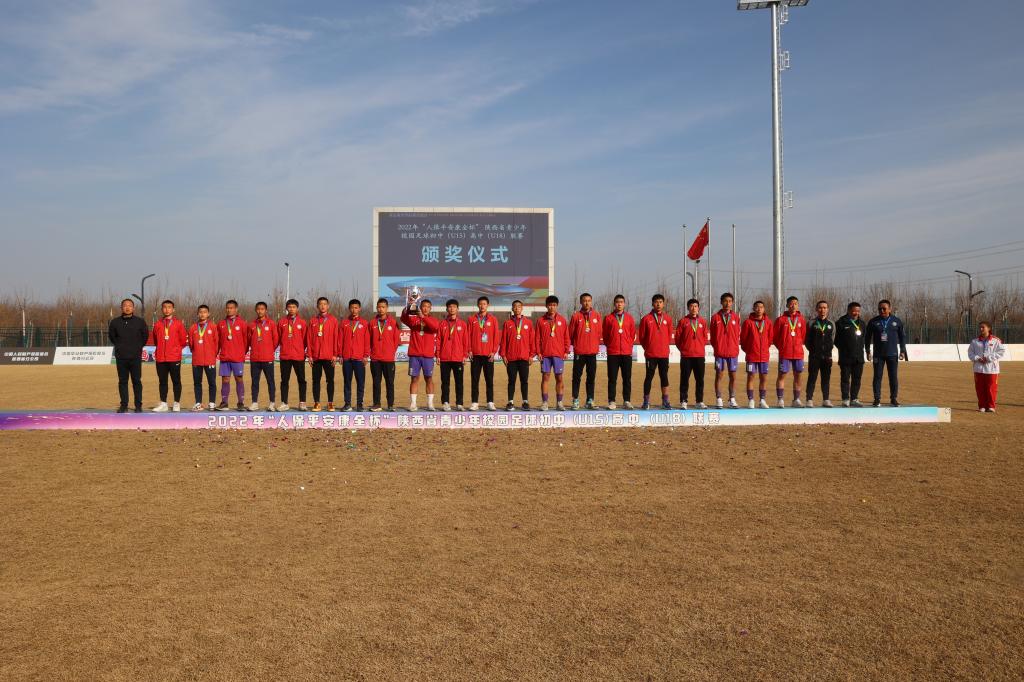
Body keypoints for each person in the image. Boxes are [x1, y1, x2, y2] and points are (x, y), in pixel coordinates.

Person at [147, 299, 188, 412]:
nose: (167, 309)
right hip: (161, 358)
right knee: (162, 382)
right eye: (164, 307)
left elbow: (183, 341)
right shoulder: (157, 324)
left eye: (169, 307)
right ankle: (163, 404)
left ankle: (176, 403)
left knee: (176, 381)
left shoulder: (178, 324)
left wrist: (175, 350)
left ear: (173, 309)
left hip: (174, 358)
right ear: (162, 309)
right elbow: (156, 340)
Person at [865, 299, 908, 407]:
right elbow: (867, 338)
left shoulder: (896, 321)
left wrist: (902, 350)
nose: (882, 310)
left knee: (893, 377)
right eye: (879, 309)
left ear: (890, 309)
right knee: (877, 377)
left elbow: (902, 337)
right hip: (878, 355)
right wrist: (868, 351)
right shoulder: (873, 321)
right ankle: (877, 399)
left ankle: (893, 398)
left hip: (892, 354)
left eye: (884, 308)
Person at [109, 298, 148, 413]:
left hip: (135, 357)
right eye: (125, 305)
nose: (127, 307)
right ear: (121, 308)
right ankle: (124, 405)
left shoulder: (140, 322)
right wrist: (120, 347)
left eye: (130, 305)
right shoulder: (115, 322)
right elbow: (112, 337)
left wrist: (137, 347)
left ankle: (138, 405)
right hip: (121, 357)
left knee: (137, 381)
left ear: (133, 308)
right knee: (122, 382)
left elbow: (145, 336)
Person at [401, 296, 440, 411]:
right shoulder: (414, 320)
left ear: (430, 309)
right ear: (420, 307)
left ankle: (430, 404)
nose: (425, 308)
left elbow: (435, 327)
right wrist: (408, 306)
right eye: (423, 306)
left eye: (428, 307)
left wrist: (423, 317)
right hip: (415, 355)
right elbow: (403, 317)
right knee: (414, 379)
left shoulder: (433, 320)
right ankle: (413, 404)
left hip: (428, 356)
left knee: (429, 378)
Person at [638, 293, 673, 410]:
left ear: (663, 304)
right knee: (649, 377)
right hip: (651, 354)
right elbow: (642, 337)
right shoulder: (646, 319)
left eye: (660, 302)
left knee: (664, 377)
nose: (658, 304)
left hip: (663, 354)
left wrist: (664, 347)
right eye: (656, 302)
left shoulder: (668, 318)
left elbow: (669, 335)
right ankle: (646, 401)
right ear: (652, 304)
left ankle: (665, 400)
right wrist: (648, 348)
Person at [568, 292, 602, 410]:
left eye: (589, 300)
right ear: (581, 302)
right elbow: (571, 334)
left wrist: (594, 345)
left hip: (592, 352)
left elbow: (599, 333)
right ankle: (575, 400)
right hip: (580, 352)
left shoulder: (597, 315)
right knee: (576, 377)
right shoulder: (576, 316)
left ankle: (590, 400)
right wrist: (577, 345)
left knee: (591, 377)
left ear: (591, 302)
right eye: (584, 301)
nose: (586, 303)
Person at [674, 298, 709, 409]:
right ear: (688, 308)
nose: (694, 308)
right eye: (691, 306)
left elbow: (705, 338)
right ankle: (683, 401)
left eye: (696, 306)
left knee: (700, 380)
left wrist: (699, 347)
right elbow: (677, 339)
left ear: (698, 308)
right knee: (684, 379)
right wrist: (684, 349)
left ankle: (699, 401)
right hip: (686, 356)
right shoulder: (683, 321)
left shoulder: (703, 322)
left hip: (699, 356)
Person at [500, 299, 535, 410]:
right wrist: (503, 355)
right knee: (511, 381)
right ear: (512, 308)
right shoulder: (507, 323)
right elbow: (503, 340)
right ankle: (510, 402)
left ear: (522, 308)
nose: (517, 308)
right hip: (511, 358)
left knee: (524, 381)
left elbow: (532, 340)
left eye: (519, 306)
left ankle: (525, 402)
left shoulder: (528, 323)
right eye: (515, 306)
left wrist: (531, 355)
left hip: (524, 357)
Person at [536, 295, 570, 411]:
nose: (552, 307)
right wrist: (538, 352)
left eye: (554, 305)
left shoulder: (562, 320)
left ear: (557, 306)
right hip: (545, 354)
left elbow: (566, 337)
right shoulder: (541, 320)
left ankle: (559, 402)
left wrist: (566, 351)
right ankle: (545, 402)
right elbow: (537, 338)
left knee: (559, 377)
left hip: (558, 354)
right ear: (546, 306)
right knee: (545, 377)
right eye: (550, 305)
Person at [602, 294, 636, 410]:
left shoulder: (630, 318)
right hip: (613, 353)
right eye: (617, 302)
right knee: (612, 379)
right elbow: (605, 335)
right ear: (614, 304)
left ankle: (627, 401)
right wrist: (611, 345)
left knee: (627, 379)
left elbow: (632, 334)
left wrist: (628, 346)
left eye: (621, 302)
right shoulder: (608, 318)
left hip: (626, 353)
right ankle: (612, 401)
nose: (619, 304)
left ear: (624, 304)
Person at [467, 296, 500, 411]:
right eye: (480, 304)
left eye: (484, 304)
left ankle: (490, 402)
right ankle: (474, 402)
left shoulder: (493, 319)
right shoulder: (472, 319)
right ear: (478, 305)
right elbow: (468, 336)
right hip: (475, 355)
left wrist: (493, 351)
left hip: (488, 355)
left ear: (488, 305)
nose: (482, 306)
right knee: (475, 380)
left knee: (489, 379)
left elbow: (496, 337)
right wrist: (469, 350)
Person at [307, 297, 340, 412]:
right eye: (320, 304)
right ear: (317, 306)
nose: (322, 306)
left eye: (325, 304)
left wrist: (335, 354)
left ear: (328, 306)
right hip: (316, 356)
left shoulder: (333, 320)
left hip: (329, 356)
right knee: (316, 380)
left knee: (330, 380)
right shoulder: (313, 321)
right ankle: (317, 403)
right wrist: (310, 355)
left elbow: (336, 338)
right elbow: (309, 339)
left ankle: (330, 403)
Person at [773, 296, 807, 408]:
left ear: (798, 305)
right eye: (791, 303)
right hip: (785, 353)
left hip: (798, 353)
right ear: (787, 305)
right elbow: (775, 337)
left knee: (798, 376)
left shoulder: (801, 319)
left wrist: (797, 345)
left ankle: (796, 400)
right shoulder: (781, 320)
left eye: (795, 303)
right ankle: (780, 399)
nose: (793, 305)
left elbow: (803, 336)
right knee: (782, 375)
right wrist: (782, 347)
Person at [710, 292, 741, 408]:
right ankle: (719, 398)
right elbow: (713, 336)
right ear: (721, 302)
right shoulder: (715, 317)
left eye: (730, 301)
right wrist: (718, 347)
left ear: (732, 303)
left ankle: (732, 398)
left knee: (733, 376)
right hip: (720, 352)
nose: (727, 303)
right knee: (719, 375)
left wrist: (734, 346)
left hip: (732, 352)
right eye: (725, 301)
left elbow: (737, 334)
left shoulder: (736, 317)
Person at [368, 298, 400, 412]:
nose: (381, 309)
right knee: (376, 382)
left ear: (387, 308)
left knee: (390, 382)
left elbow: (396, 340)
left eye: (383, 307)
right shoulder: (372, 323)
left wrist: (390, 352)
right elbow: (369, 340)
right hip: (375, 358)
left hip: (388, 359)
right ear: (377, 308)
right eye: (379, 307)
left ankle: (390, 404)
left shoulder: (393, 322)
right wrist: (372, 352)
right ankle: (377, 404)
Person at [216, 299, 248, 411]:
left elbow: (246, 341)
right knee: (225, 379)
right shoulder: (221, 324)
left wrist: (241, 353)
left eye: (231, 308)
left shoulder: (242, 323)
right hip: (225, 357)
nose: (229, 310)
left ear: (236, 309)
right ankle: (224, 403)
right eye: (227, 308)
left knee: (239, 378)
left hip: (237, 357)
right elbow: (218, 341)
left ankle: (240, 403)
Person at [437, 299, 469, 411]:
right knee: (445, 382)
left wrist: (464, 355)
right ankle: (445, 402)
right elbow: (439, 340)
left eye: (454, 307)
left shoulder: (462, 324)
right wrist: (438, 355)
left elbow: (465, 341)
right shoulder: (442, 324)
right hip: (445, 358)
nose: (452, 309)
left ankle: (459, 403)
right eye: (450, 307)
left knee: (459, 382)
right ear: (447, 309)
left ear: (457, 309)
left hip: (458, 358)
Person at [740, 300, 772, 409]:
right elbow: (743, 340)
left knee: (764, 378)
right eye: (757, 307)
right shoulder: (748, 322)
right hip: (751, 356)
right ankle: (751, 400)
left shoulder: (768, 322)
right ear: (753, 308)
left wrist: (764, 349)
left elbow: (770, 339)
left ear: (764, 309)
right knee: (751, 377)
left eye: (761, 307)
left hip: (764, 356)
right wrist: (749, 350)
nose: (759, 309)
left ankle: (762, 400)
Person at [339, 299, 370, 411]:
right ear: (349, 308)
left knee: (360, 382)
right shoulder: (344, 323)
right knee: (347, 382)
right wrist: (340, 355)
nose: (354, 310)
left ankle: (359, 404)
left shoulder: (364, 323)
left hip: (359, 358)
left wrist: (366, 355)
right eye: (352, 307)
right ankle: (347, 404)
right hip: (347, 358)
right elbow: (340, 340)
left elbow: (367, 341)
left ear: (359, 309)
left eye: (356, 308)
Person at [248, 301, 279, 411]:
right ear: (255, 310)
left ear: (266, 310)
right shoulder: (252, 325)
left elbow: (276, 340)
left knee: (270, 381)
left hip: (267, 358)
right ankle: (254, 403)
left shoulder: (271, 324)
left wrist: (269, 350)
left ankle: (272, 403)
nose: (260, 311)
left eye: (262, 309)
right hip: (255, 359)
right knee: (255, 381)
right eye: (258, 309)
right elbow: (249, 340)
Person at [277, 298, 308, 411]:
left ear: (297, 308)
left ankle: (302, 402)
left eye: (294, 307)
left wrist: (300, 350)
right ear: (286, 308)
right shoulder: (282, 322)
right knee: (284, 380)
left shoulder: (302, 322)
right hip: (285, 356)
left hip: (298, 356)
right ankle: (284, 403)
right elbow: (278, 338)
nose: (291, 309)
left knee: (301, 380)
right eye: (289, 307)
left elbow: (305, 339)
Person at [834, 302, 866, 407]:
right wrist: (844, 348)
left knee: (857, 379)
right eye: (854, 311)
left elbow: (863, 338)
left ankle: (854, 399)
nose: (856, 313)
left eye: (858, 311)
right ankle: (845, 399)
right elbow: (836, 340)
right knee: (845, 379)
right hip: (845, 357)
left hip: (859, 357)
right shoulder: (840, 323)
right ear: (848, 310)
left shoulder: (862, 323)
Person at [968, 321, 1005, 413]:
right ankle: (982, 406)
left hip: (992, 369)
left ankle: (991, 406)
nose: (981, 329)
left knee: (991, 388)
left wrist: (989, 358)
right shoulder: (974, 341)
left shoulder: (996, 340)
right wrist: (977, 358)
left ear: (989, 328)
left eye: (983, 327)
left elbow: (1001, 352)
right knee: (980, 388)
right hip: (978, 369)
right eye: (980, 327)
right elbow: (970, 353)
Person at [804, 300, 835, 408]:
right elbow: (807, 340)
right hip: (814, 356)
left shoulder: (831, 324)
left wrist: (828, 349)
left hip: (827, 356)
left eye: (825, 308)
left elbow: (833, 338)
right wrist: (813, 350)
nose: (823, 310)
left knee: (826, 379)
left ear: (828, 309)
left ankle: (826, 399)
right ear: (816, 309)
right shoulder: (811, 323)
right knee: (812, 378)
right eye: (820, 307)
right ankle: (809, 399)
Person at [188, 304, 219, 411]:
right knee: (197, 383)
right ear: (197, 314)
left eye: (205, 312)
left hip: (210, 360)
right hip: (197, 360)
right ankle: (198, 403)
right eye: (200, 312)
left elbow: (216, 343)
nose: (202, 314)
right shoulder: (193, 328)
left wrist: (212, 355)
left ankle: (212, 403)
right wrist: (196, 352)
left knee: (212, 382)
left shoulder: (213, 327)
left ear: (208, 314)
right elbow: (191, 344)